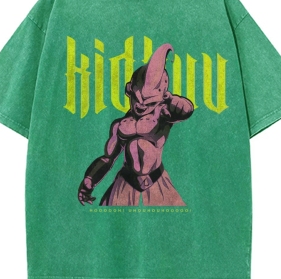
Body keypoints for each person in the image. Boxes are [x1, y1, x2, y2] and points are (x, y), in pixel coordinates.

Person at [77, 43, 194, 206]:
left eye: (149, 103)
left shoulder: (162, 116)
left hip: (157, 183)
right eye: (137, 99)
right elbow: (108, 158)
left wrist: (173, 101)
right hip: (125, 185)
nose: (141, 106)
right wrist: (90, 179)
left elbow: (185, 110)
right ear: (129, 91)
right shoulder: (120, 125)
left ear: (162, 99)